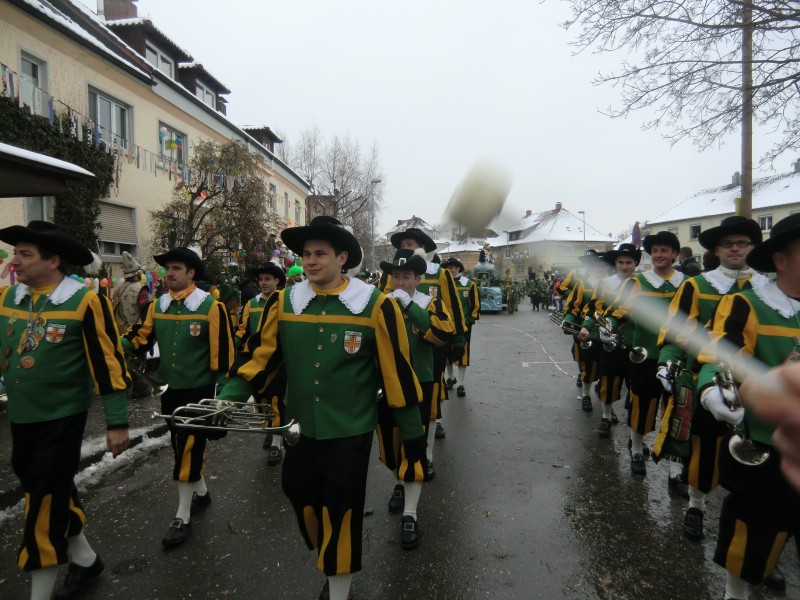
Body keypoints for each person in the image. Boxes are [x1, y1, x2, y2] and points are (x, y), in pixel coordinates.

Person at [216, 216, 426, 600]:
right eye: (307, 254)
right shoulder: (284, 303)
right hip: (299, 429)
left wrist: (413, 437)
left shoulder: (375, 306)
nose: (311, 261)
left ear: (342, 258)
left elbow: (397, 374)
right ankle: (329, 550)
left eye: (320, 254)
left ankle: (339, 586)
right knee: (297, 491)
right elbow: (259, 359)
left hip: (351, 430)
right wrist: (226, 400)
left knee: (341, 510)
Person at [0, 221, 130, 600]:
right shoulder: (9, 298)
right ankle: (86, 560)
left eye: (25, 254)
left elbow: (108, 365)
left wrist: (117, 422)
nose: (14, 261)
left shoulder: (84, 301)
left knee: (42, 503)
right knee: (49, 487)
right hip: (22, 416)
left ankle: (39, 590)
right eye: (15, 253)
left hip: (62, 419)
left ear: (53, 261)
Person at [696, 213, 800, 600]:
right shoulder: (748, 304)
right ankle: (735, 593)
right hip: (767, 443)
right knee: (752, 531)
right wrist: (712, 389)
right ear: (780, 260)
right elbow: (718, 355)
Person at [655, 216, 766, 542]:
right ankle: (696, 506)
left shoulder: (767, 290)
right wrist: (666, 364)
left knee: (758, 458)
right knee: (704, 450)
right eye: (727, 244)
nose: (735, 249)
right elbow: (675, 331)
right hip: (707, 380)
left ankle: (755, 528)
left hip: (756, 386)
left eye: (742, 243)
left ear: (752, 247)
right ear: (716, 250)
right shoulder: (697, 286)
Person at [122, 247, 234, 548]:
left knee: (188, 445)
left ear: (191, 273)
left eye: (176, 269)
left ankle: (182, 516)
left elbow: (222, 353)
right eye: (167, 269)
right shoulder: (158, 305)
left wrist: (224, 395)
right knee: (179, 444)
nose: (169, 273)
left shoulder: (211, 306)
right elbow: (140, 336)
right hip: (170, 389)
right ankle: (202, 493)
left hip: (199, 391)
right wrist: (116, 344)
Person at [377, 248, 453, 549]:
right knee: (389, 446)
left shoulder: (429, 303)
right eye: (395, 276)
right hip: (385, 384)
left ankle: (410, 513)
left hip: (417, 385)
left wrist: (410, 307)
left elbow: (441, 334)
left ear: (418, 279)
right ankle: (399, 481)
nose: (399, 282)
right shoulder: (380, 303)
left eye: (406, 276)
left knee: (413, 447)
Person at [379, 227, 465, 464]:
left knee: (428, 396)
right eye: (403, 245)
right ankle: (402, 462)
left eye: (410, 244)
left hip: (429, 345)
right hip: (395, 356)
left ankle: (426, 448)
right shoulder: (390, 278)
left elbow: (452, 307)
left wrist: (458, 340)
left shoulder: (439, 273)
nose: (406, 248)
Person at [602, 231, 684, 475]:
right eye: (655, 251)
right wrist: (609, 325)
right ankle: (637, 448)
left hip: (678, 357)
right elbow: (621, 309)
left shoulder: (688, 283)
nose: (658, 255)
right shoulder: (638, 283)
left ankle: (675, 466)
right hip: (645, 354)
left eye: (664, 250)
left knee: (676, 408)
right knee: (642, 403)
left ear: (675, 254)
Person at [579, 243, 640, 437]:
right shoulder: (605, 283)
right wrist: (586, 326)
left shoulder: (641, 283)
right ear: (615, 263)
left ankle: (635, 430)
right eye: (621, 262)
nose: (624, 266)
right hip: (609, 339)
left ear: (635, 263)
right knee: (609, 378)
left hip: (634, 340)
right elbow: (593, 307)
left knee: (635, 385)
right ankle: (605, 417)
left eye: (629, 262)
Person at [235, 263, 287, 463]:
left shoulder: (283, 302)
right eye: (261, 280)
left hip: (277, 361)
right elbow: (243, 329)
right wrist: (232, 344)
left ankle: (276, 443)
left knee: (275, 399)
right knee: (261, 400)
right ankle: (270, 429)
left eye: (268, 279)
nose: (264, 283)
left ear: (277, 281)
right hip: (255, 360)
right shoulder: (252, 304)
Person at [564, 250, 609, 412]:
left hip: (607, 332)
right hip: (585, 329)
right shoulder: (583, 284)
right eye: (596, 266)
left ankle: (607, 404)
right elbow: (572, 307)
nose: (599, 269)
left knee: (607, 368)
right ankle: (586, 395)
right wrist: (569, 322)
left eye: (602, 266)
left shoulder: (613, 285)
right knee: (587, 366)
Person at [112, 251, 151, 398]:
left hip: (120, 330)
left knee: (125, 359)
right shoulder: (140, 288)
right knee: (138, 359)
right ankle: (139, 387)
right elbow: (145, 310)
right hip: (135, 330)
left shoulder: (119, 288)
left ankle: (127, 385)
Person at [441, 257, 479, 397]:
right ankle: (450, 378)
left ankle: (461, 384)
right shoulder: (442, 284)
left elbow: (475, 306)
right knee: (447, 352)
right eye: (447, 267)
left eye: (452, 267)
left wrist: (469, 322)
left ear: (458, 268)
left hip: (463, 327)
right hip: (446, 325)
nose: (450, 270)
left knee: (463, 354)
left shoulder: (469, 285)